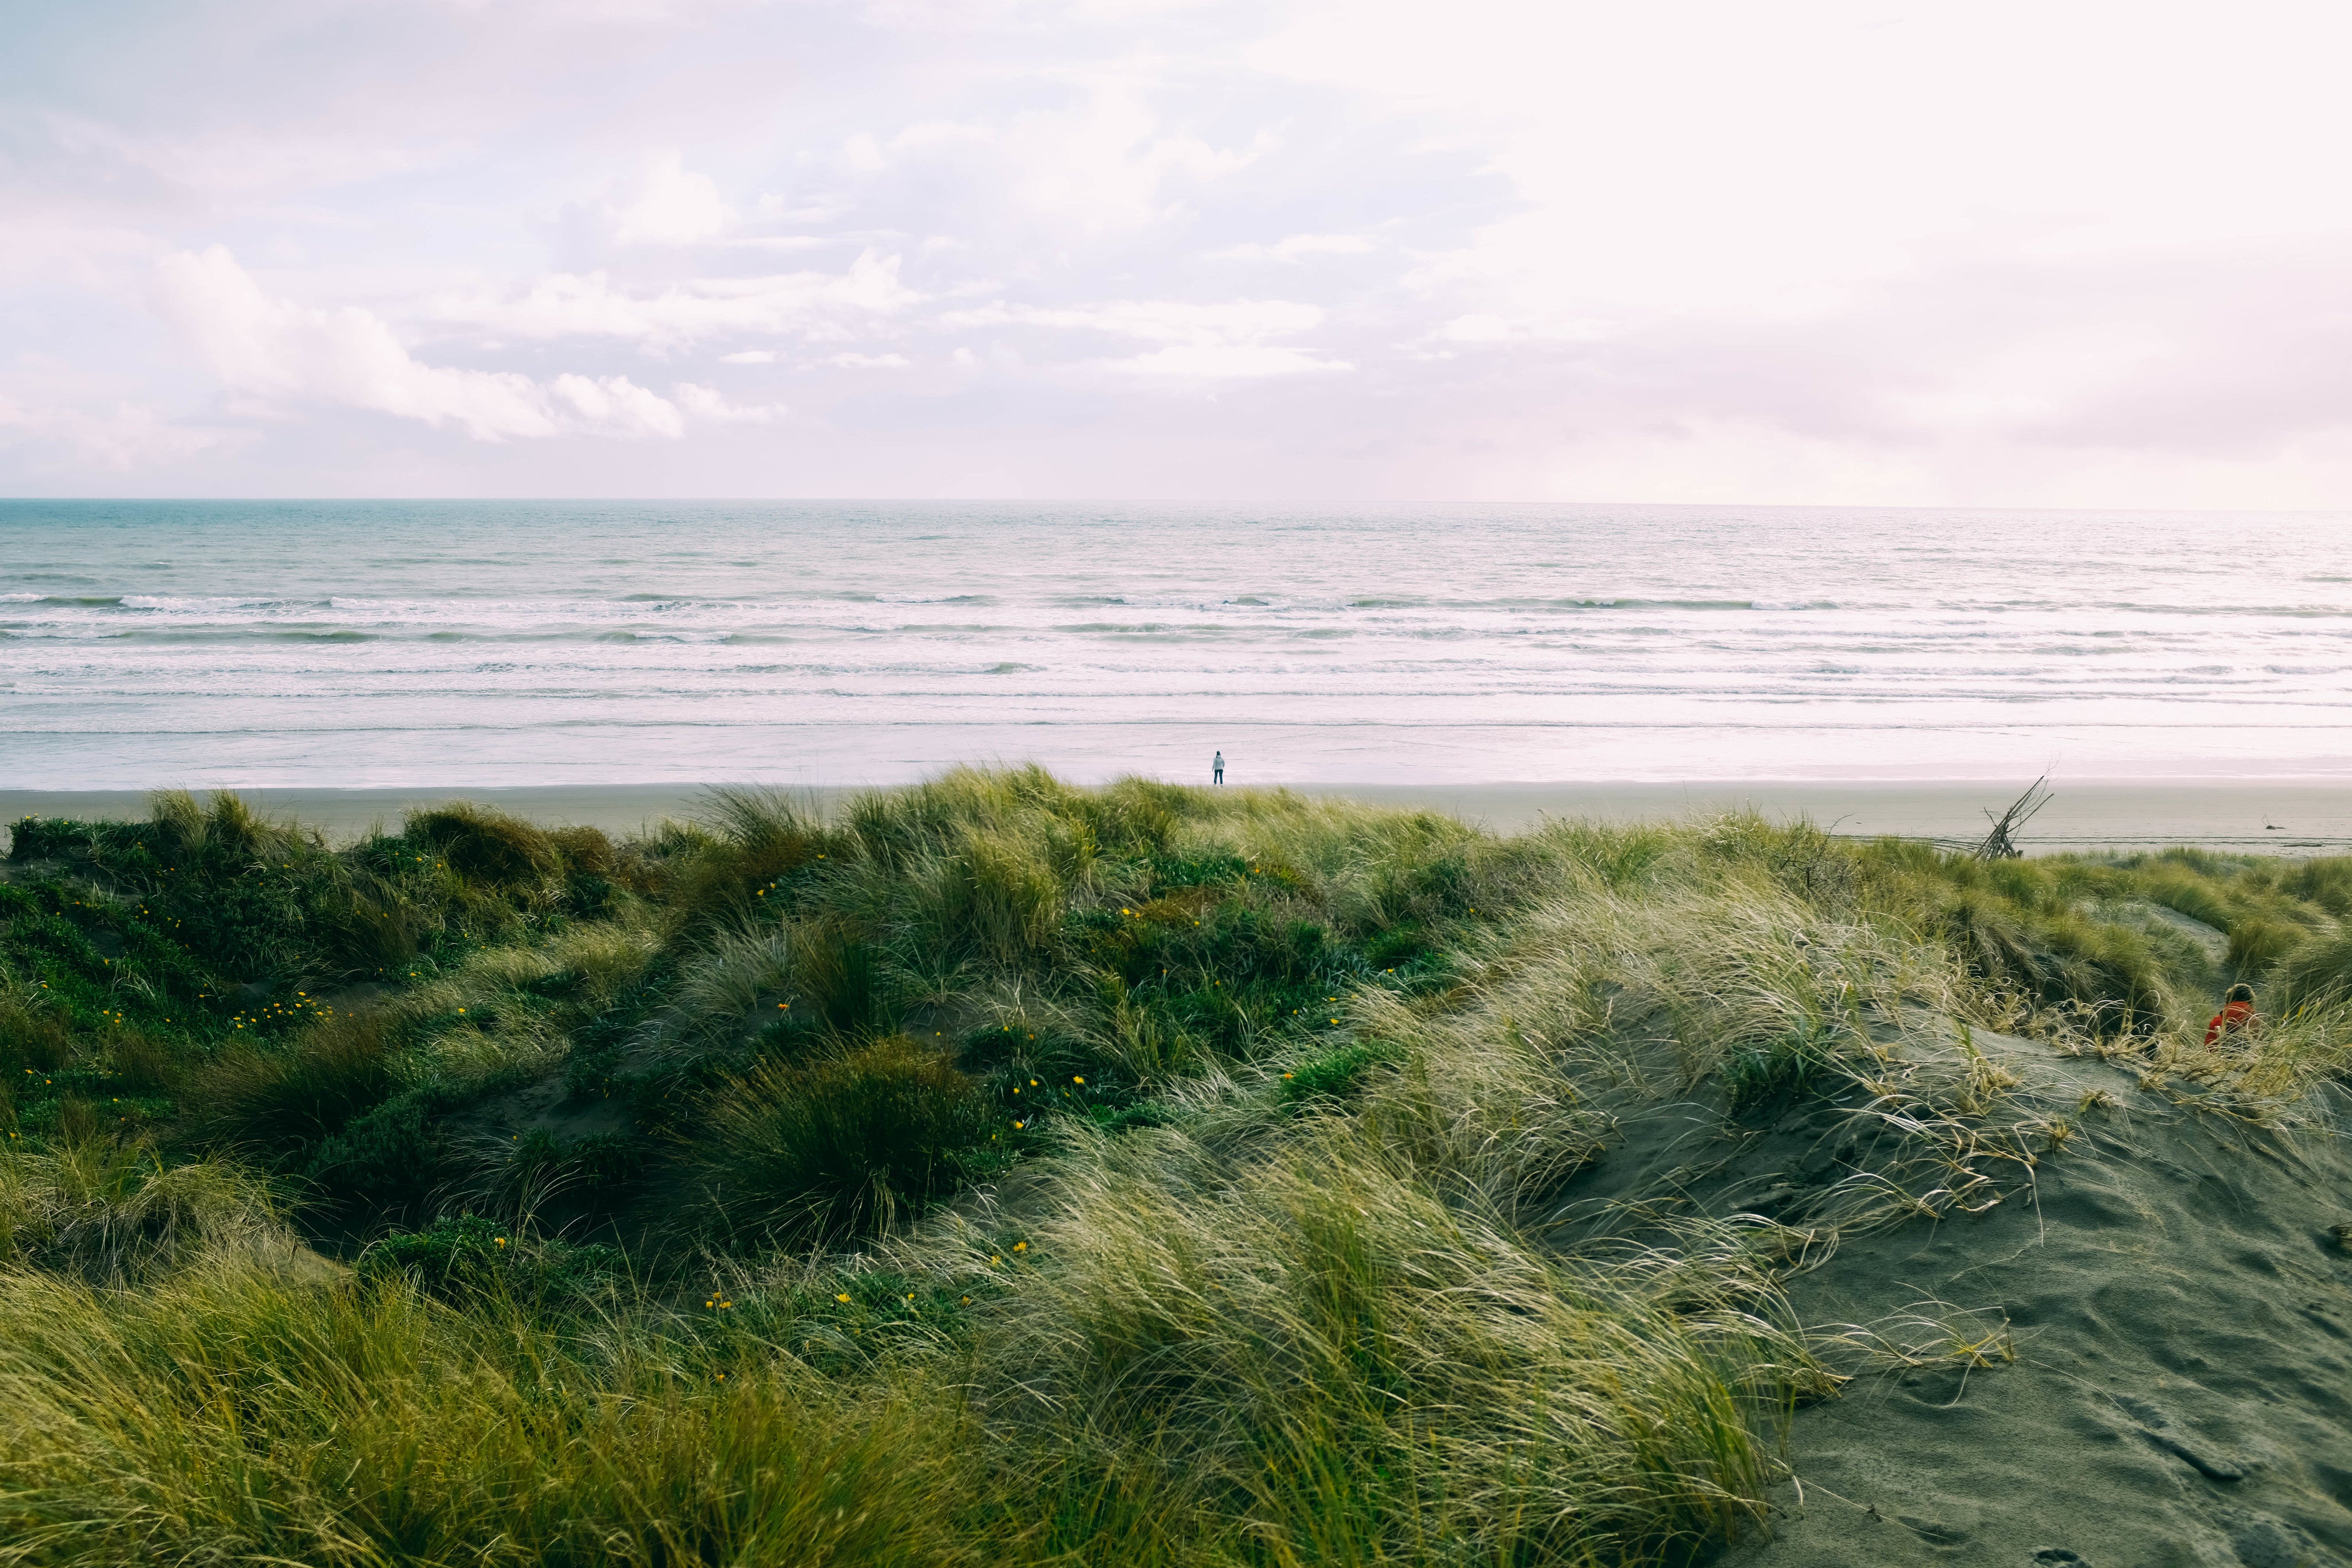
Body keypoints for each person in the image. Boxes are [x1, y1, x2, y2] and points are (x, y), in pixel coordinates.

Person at [2204, 982, 2257, 1048]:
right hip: (2249, 1057)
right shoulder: (2255, 1020)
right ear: (2251, 1000)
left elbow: (2209, 1047)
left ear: (2229, 997)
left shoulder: (2218, 1020)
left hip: (2221, 1057)